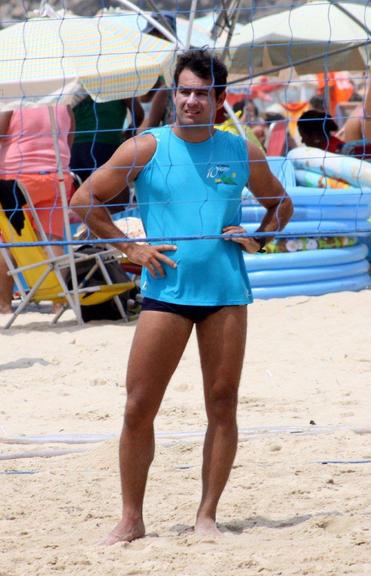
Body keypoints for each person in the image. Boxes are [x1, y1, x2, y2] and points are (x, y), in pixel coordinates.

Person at [70, 49, 293, 543]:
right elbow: (83, 199)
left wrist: (261, 235)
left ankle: (206, 516)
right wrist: (129, 244)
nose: (191, 100)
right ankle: (131, 518)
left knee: (222, 402)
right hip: (166, 292)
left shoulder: (240, 150)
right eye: (184, 90)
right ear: (174, 93)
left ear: (219, 99)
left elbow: (281, 204)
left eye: (202, 93)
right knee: (138, 407)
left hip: (226, 293)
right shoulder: (146, 148)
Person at [0, 104, 74, 313]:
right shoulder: (63, 101)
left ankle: (3, 305)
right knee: (51, 239)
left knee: (8, 240)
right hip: (57, 175)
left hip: (16, 176)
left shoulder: (12, 99)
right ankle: (59, 303)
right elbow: (69, 137)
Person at [70, 96, 144, 213]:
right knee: (116, 206)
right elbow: (139, 114)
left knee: (83, 207)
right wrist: (129, 133)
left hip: (75, 150)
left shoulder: (75, 84)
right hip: (106, 144)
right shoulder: (116, 81)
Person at [137, 12, 177, 133]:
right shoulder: (147, 65)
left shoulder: (175, 67)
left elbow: (149, 123)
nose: (152, 40)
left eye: (156, 34)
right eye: (151, 35)